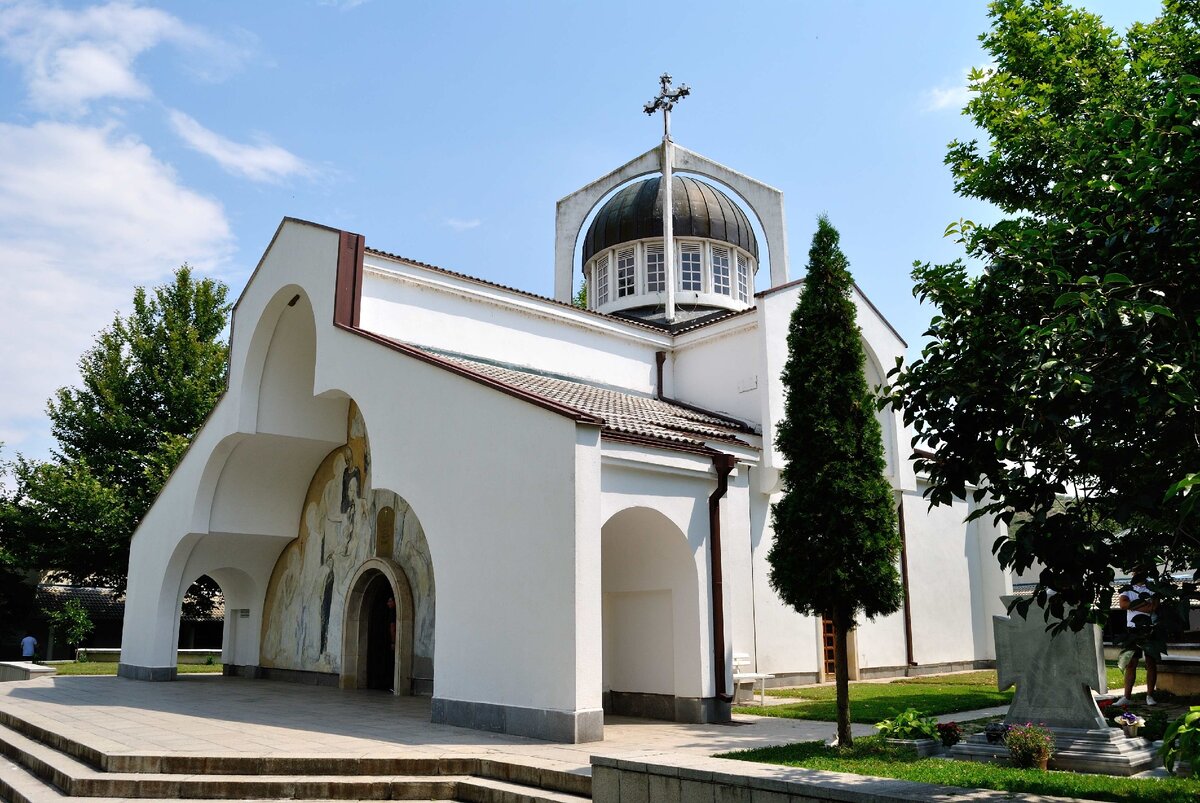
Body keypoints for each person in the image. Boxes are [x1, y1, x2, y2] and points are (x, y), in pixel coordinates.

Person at [1114, 568, 1159, 706]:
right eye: (1134, 571)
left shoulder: (1153, 587)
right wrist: (1143, 605)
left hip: (1150, 628)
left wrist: (1133, 606)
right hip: (1132, 630)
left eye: (1139, 571)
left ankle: (1150, 696)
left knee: (1150, 663)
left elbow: (1153, 607)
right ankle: (1127, 696)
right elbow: (1122, 604)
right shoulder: (1127, 588)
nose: (1135, 573)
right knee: (1131, 663)